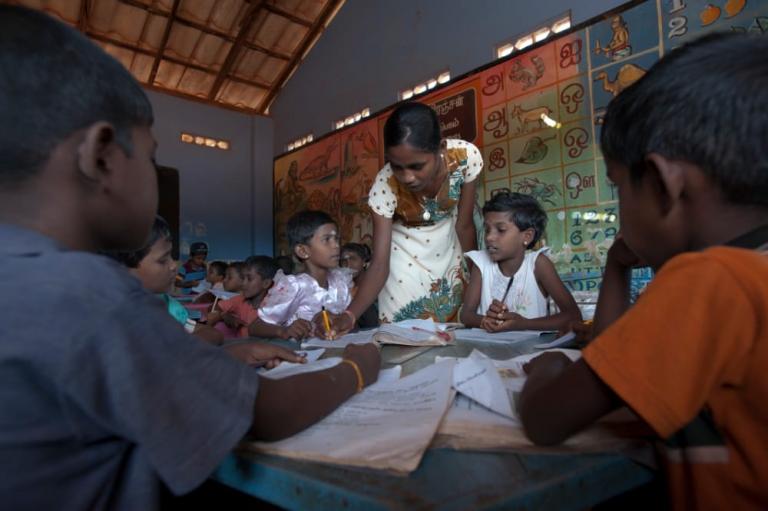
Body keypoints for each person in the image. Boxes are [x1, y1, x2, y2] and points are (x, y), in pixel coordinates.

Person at [0, 7, 380, 509]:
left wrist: (217, 358)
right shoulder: (90, 292)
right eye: (152, 157)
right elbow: (267, 413)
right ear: (103, 156)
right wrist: (358, 367)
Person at [517, 32, 768, 510]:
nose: (619, 209)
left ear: (659, 182)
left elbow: (547, 419)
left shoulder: (713, 280)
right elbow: (613, 356)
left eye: (617, 187)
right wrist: (616, 263)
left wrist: (547, 369)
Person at [330, 102, 483, 333]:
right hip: (402, 260)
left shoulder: (465, 158)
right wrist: (350, 316)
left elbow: (465, 226)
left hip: (450, 248)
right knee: (405, 337)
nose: (407, 177)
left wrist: (477, 279)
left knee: (454, 336)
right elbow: (380, 263)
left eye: (416, 166)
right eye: (397, 166)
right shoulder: (385, 186)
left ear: (441, 148)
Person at [461, 191, 581, 332]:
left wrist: (524, 324)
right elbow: (466, 315)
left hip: (531, 350)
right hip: (489, 350)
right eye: (487, 230)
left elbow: (573, 316)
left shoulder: (538, 265)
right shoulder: (481, 263)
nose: (489, 238)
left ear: (527, 236)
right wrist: (485, 320)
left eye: (500, 230)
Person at [105, 216, 224, 345]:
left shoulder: (169, 306)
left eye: (171, 256)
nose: (173, 265)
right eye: (162, 260)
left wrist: (184, 348)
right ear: (124, 268)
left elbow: (212, 334)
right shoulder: (113, 318)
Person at [249, 210, 354, 341]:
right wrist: (284, 331)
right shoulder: (294, 286)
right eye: (327, 239)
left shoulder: (340, 282)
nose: (336, 245)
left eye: (337, 239)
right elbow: (255, 327)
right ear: (303, 251)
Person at [207, 255, 277, 338]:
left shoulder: (276, 307)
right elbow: (213, 307)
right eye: (243, 278)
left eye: (249, 279)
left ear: (266, 283)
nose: (243, 284)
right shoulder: (241, 299)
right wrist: (224, 316)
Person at [340, 242, 379, 328]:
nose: (347, 264)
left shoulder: (375, 283)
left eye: (353, 259)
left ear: (364, 262)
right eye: (343, 260)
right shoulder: (342, 287)